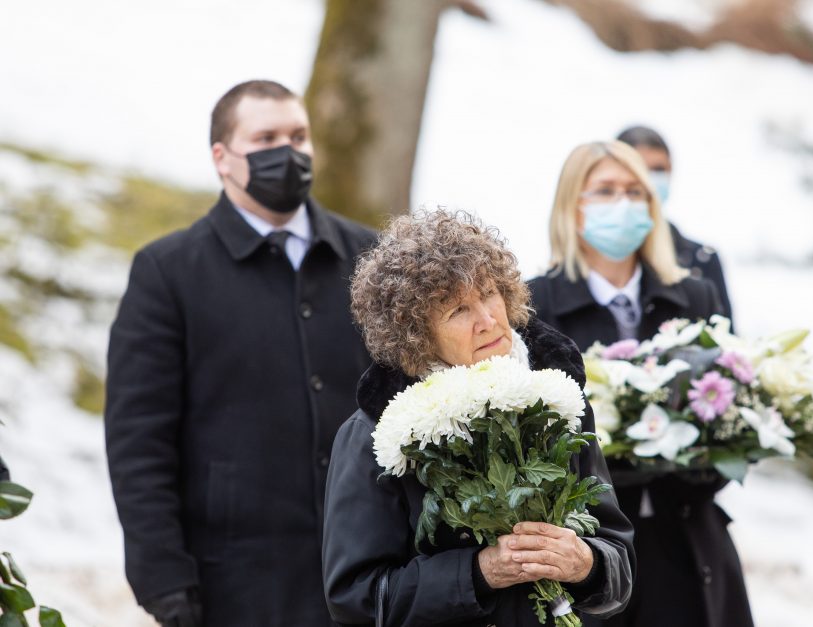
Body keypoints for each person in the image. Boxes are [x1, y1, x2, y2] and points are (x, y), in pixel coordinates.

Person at [104, 80, 376, 627]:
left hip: (371, 572)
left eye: (299, 136)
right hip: (235, 582)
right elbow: (139, 437)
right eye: (266, 137)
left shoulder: (372, 258)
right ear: (222, 158)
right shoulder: (169, 272)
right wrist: (162, 576)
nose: (289, 152)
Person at [322, 210, 635, 626]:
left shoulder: (557, 401)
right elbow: (357, 599)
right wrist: (477, 573)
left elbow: (618, 562)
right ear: (415, 333)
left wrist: (585, 564)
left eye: (489, 293)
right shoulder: (375, 433)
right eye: (457, 311)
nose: (487, 321)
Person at [528, 141, 753, 627]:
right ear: (572, 206)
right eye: (605, 191)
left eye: (635, 191)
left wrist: (698, 457)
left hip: (687, 544)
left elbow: (736, 407)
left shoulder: (694, 295)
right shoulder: (534, 306)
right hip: (589, 558)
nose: (623, 204)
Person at [616, 126, 734, 328]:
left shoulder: (702, 258)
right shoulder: (600, 256)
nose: (650, 179)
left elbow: (726, 342)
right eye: (641, 169)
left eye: (659, 170)